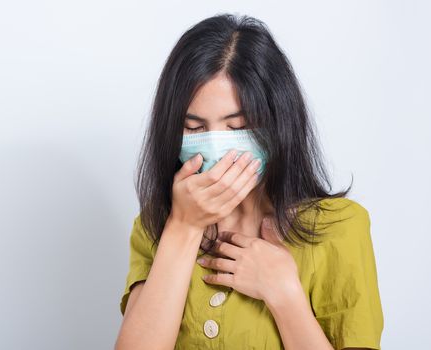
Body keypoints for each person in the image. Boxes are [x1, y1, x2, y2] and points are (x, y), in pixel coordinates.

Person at [114, 13, 384, 350]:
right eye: (195, 128)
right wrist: (183, 227)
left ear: (277, 122)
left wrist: (285, 295)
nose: (215, 145)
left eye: (238, 126)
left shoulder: (339, 226)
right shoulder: (156, 225)